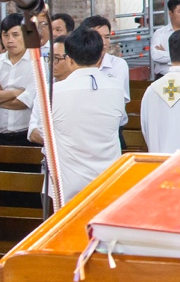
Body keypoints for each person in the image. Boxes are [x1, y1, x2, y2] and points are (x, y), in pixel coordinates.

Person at [28, 27, 125, 202]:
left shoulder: (53, 92)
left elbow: (43, 133)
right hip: (107, 182)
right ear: (99, 57)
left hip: (68, 186)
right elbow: (119, 121)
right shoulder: (116, 88)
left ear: (69, 59)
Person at [0, 13, 37, 146]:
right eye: (5, 35)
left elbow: (23, 103)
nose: (10, 40)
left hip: (25, 136)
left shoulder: (36, 64)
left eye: (15, 35)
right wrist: (15, 93)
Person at [80, 15, 132, 108]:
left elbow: (116, 99)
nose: (104, 43)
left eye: (107, 37)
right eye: (98, 37)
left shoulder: (118, 64)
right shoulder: (76, 63)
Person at [150, 0, 180, 77]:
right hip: (163, 76)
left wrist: (166, 54)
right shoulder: (159, 33)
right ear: (170, 14)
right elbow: (156, 56)